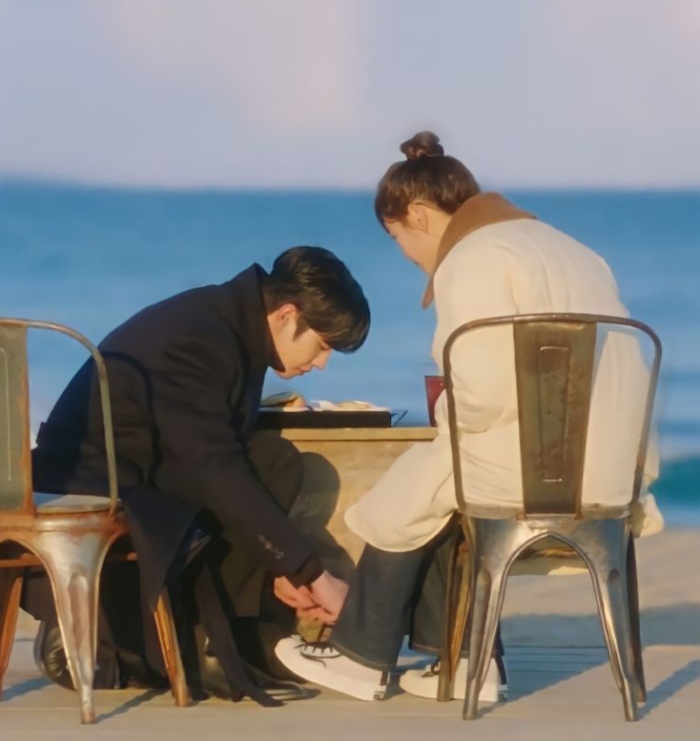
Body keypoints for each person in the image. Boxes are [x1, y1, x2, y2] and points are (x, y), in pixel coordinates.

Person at [275, 131, 664, 701]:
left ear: (419, 215)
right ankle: (466, 665)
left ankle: (361, 656)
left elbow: (482, 395)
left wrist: (445, 408)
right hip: (610, 473)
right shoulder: (577, 253)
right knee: (438, 485)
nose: (406, 254)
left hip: (536, 473)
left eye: (397, 237)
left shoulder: (473, 258)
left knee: (409, 487)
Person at [25, 246, 368, 704]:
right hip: (93, 485)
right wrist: (311, 571)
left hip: (147, 470)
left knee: (274, 461)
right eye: (323, 345)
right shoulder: (201, 337)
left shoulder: (231, 323)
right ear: (288, 315)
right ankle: (130, 640)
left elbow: (209, 454)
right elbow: (212, 465)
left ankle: (221, 642)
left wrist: (284, 566)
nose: (322, 363)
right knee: (245, 476)